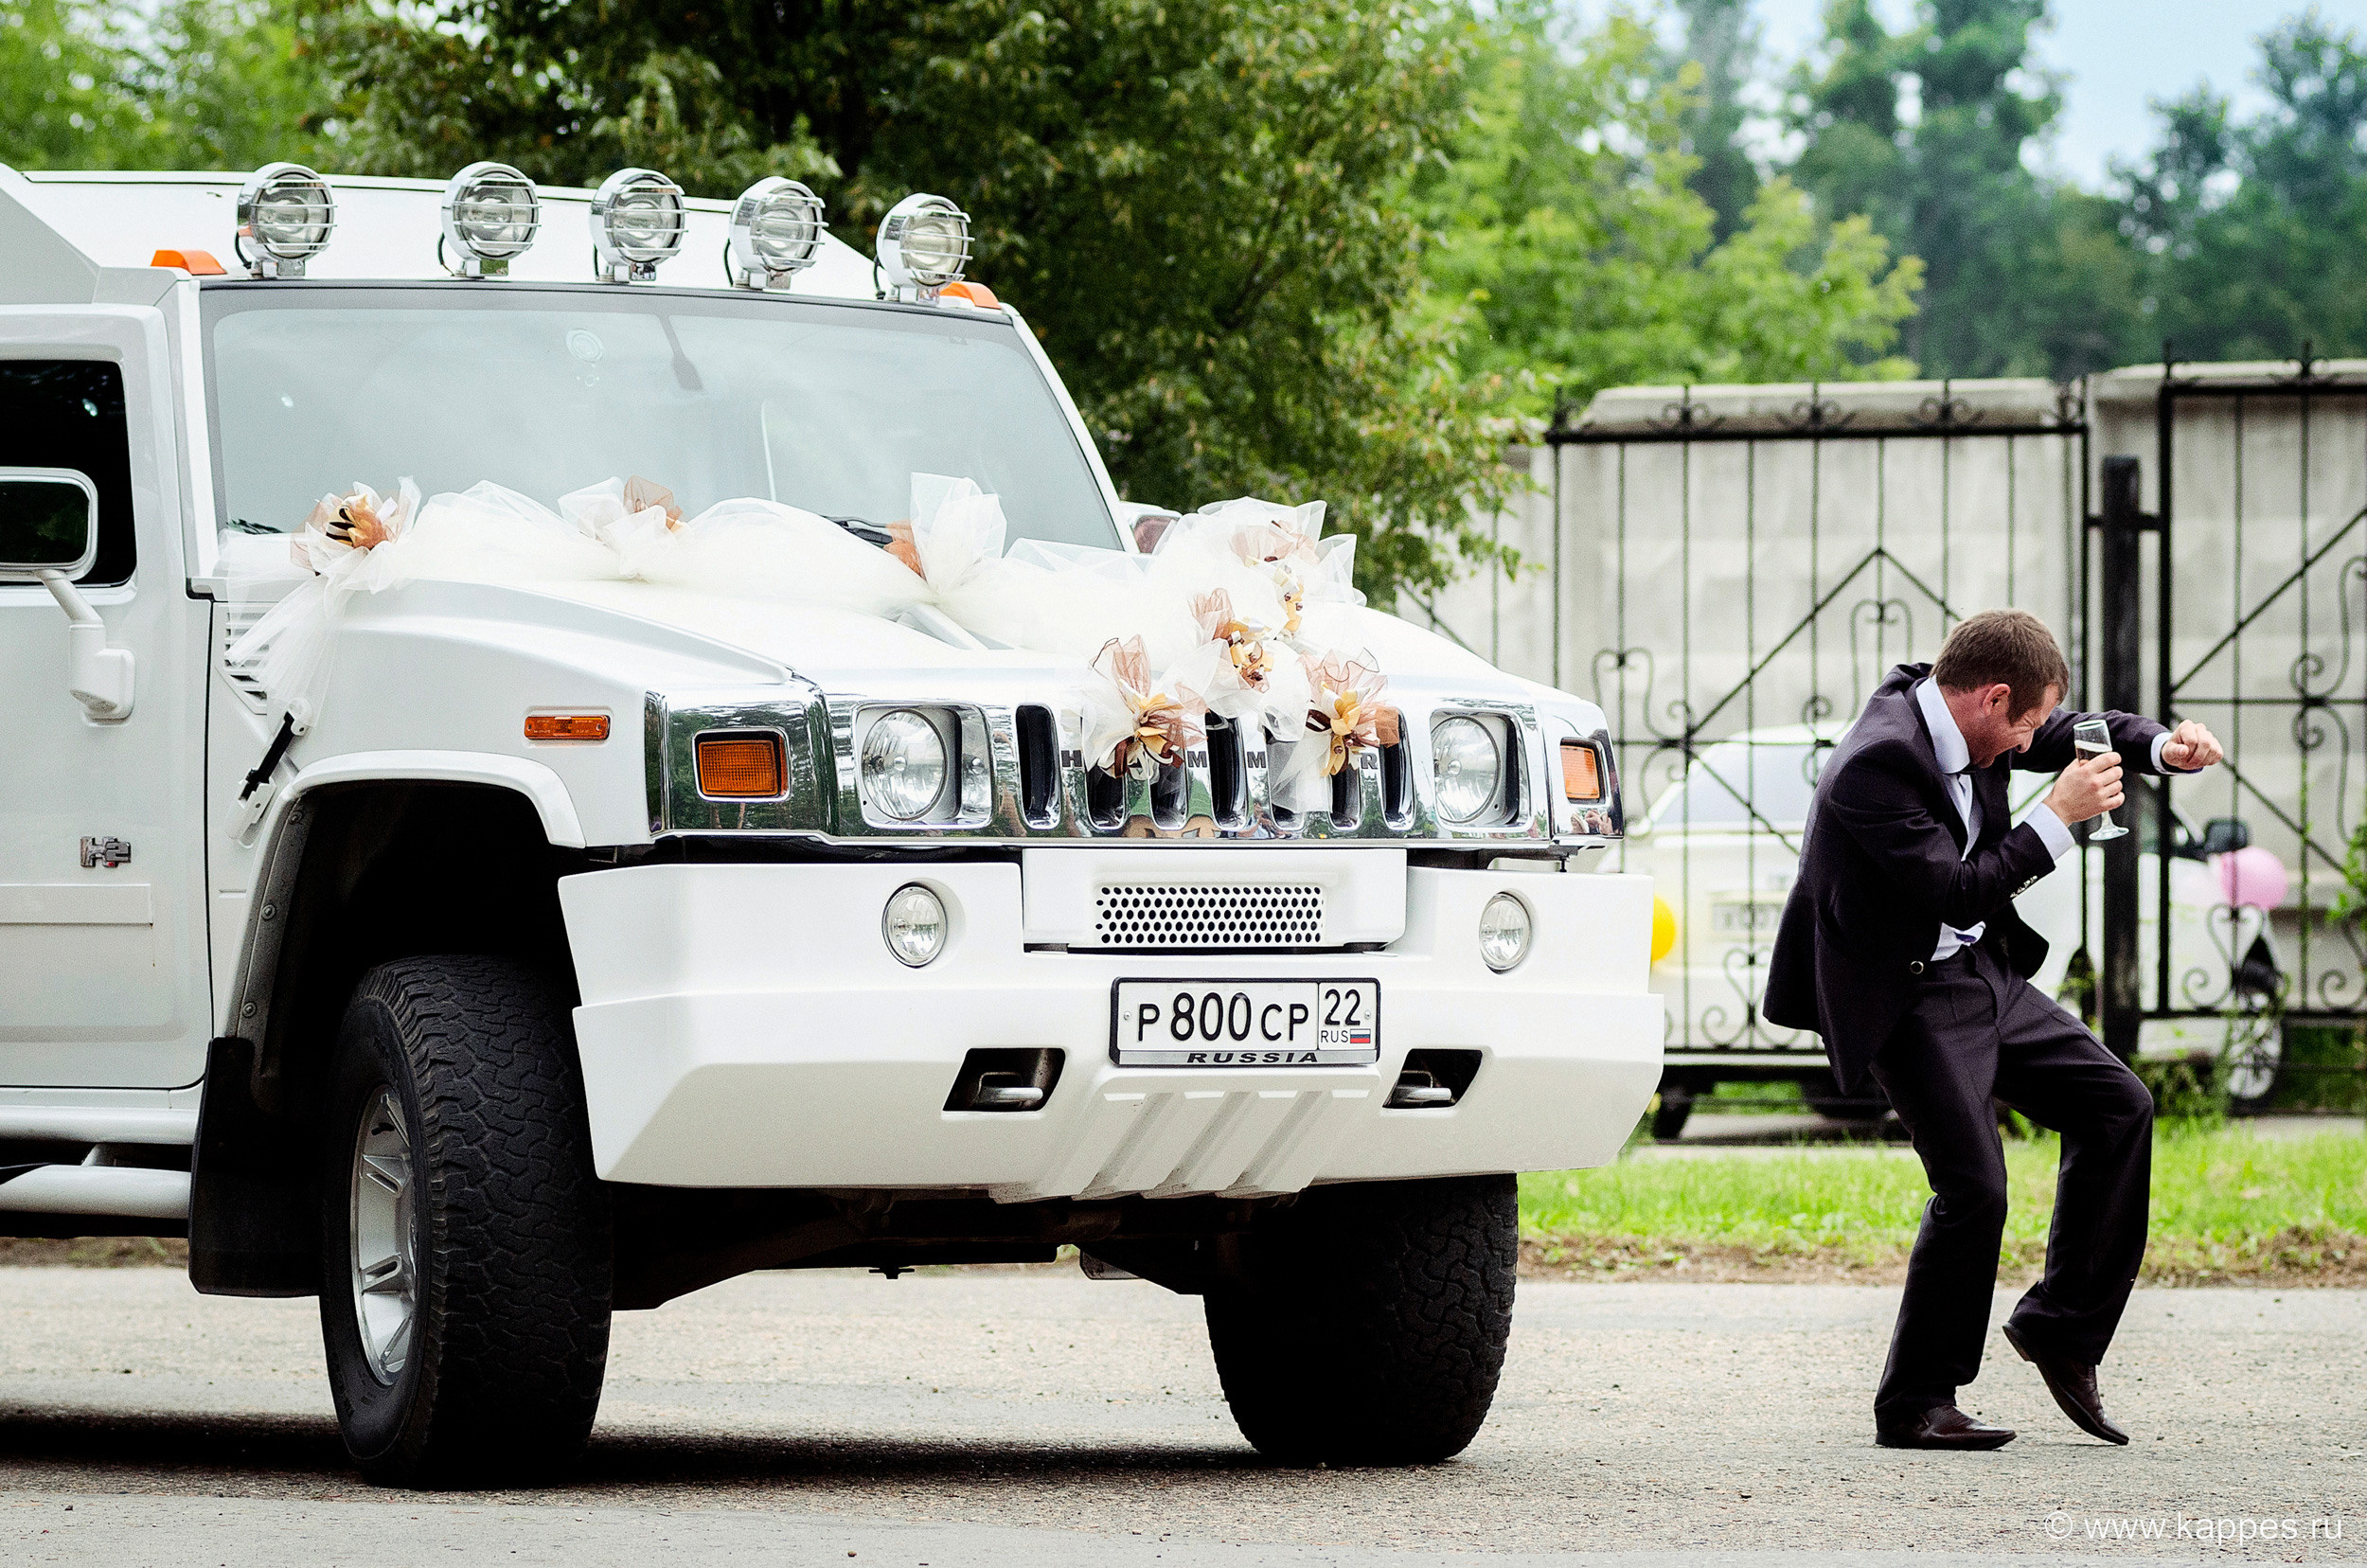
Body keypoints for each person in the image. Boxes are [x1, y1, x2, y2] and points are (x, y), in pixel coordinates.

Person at [1763, 610, 2223, 1451]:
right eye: (2023, 727)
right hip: (1903, 991)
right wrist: (2057, 815)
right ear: (1993, 698)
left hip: (1980, 974)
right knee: (1975, 1186)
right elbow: (1958, 892)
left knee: (2118, 1105)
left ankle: (2061, 1329)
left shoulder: (1977, 717)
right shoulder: (1877, 765)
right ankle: (1913, 1403)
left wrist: (2165, 746)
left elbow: (2086, 730)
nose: (2028, 744)